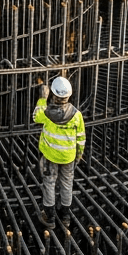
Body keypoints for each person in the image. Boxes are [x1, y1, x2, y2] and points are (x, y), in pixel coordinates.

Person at [33, 75, 86, 230]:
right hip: (68, 157)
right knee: (67, 184)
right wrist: (78, 155)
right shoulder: (77, 115)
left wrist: (42, 98)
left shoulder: (46, 113)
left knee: (49, 183)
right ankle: (65, 217)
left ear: (53, 95)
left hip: (50, 156)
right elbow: (81, 138)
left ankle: (49, 217)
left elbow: (35, 116)